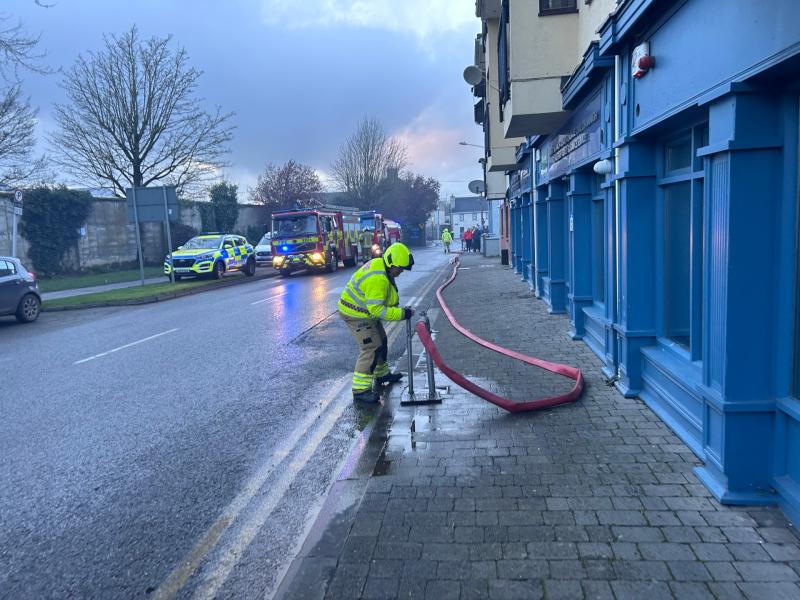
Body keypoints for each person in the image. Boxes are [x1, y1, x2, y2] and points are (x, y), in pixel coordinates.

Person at [338, 242, 415, 403]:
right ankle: (360, 390)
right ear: (392, 264)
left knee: (382, 340)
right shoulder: (378, 279)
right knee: (372, 347)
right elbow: (378, 311)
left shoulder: (382, 266)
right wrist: (402, 314)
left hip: (364, 311)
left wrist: (399, 310)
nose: (401, 272)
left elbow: (384, 301)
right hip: (356, 314)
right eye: (400, 268)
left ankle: (382, 374)